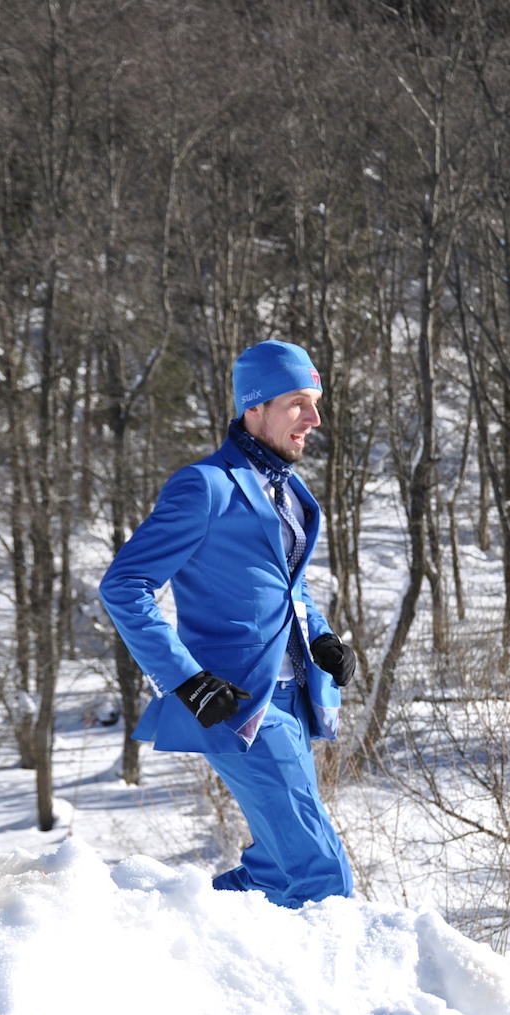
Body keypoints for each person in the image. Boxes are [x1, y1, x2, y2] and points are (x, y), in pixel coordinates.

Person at [99, 339, 356, 908]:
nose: (314, 419)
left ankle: (168, 926)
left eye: (315, 404)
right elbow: (124, 585)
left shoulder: (288, 491)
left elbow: (288, 583)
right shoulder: (205, 486)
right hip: (241, 706)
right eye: (297, 403)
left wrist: (321, 637)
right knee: (323, 881)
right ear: (255, 406)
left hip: (294, 699)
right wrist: (186, 681)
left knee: (275, 873)